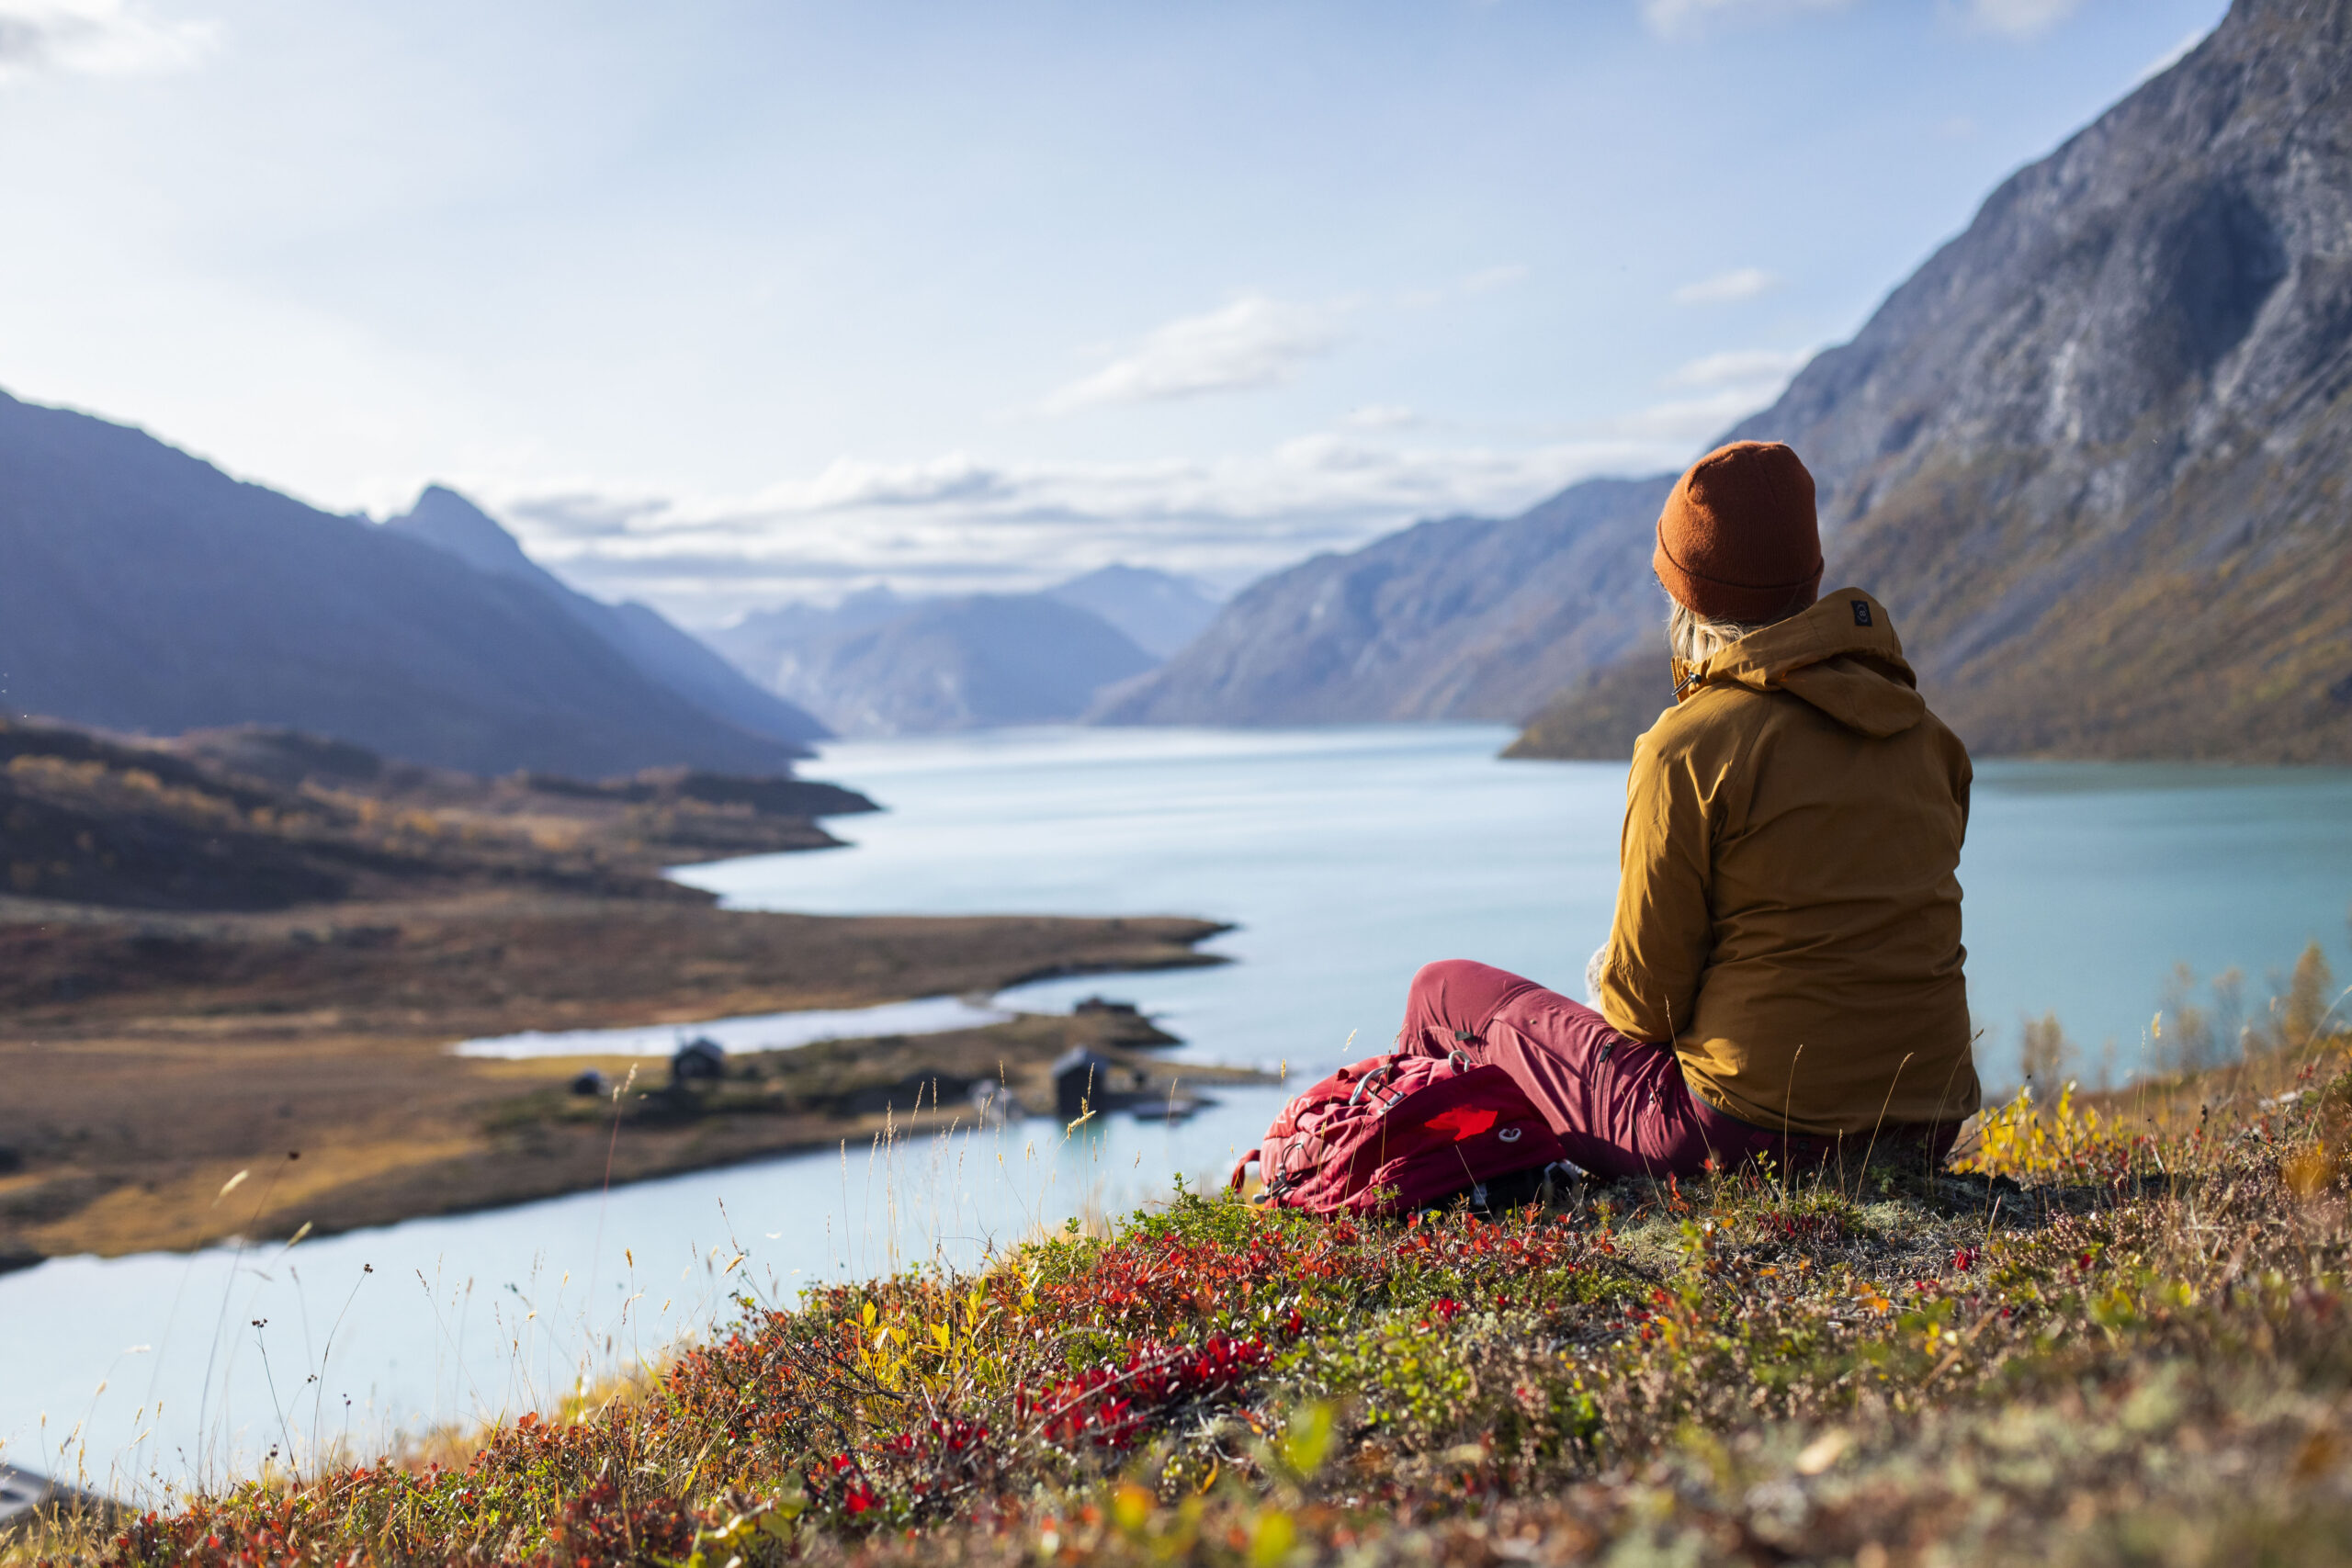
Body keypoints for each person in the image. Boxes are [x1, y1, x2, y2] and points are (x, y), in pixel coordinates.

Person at [1396, 439, 1979, 1178]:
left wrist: (1605, 974)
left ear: (1688, 593)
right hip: (1925, 1123)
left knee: (1440, 992)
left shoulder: (1686, 747)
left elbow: (1646, 1009)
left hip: (1737, 1137)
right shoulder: (1929, 739)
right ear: (1812, 576)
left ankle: (1410, 1188)